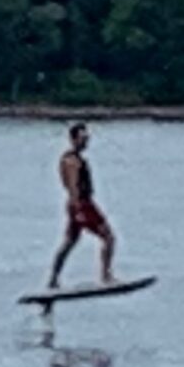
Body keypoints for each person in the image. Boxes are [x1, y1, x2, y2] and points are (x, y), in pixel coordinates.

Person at [47, 120, 115, 288]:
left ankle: (53, 280)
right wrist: (78, 207)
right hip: (82, 204)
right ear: (73, 139)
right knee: (108, 237)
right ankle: (106, 276)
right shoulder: (72, 161)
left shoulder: (73, 158)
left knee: (69, 242)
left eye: (87, 138)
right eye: (82, 138)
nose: (86, 141)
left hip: (76, 205)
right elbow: (72, 185)